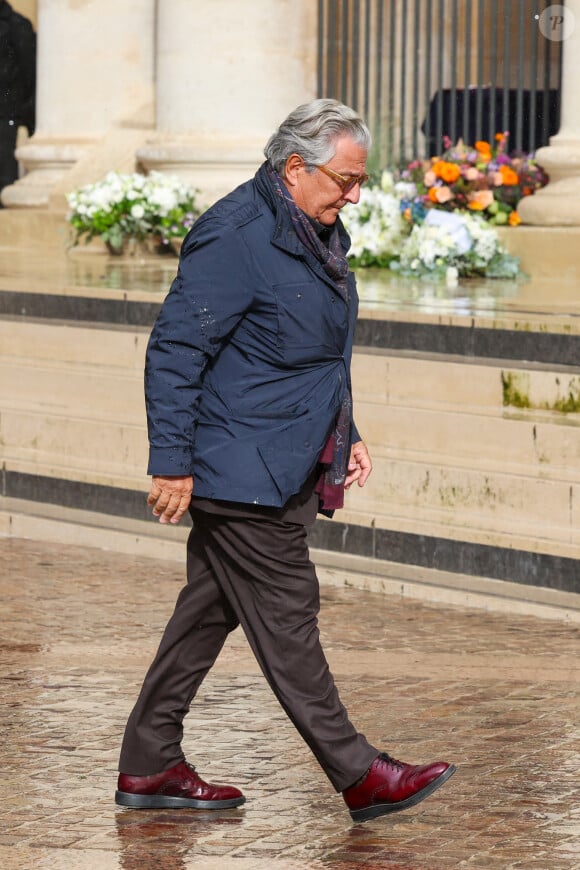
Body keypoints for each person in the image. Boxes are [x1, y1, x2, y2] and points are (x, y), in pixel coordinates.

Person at [115, 99, 456, 823]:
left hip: (280, 451)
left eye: (361, 181)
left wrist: (348, 429)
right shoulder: (235, 235)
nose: (354, 195)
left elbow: (309, 352)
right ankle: (359, 772)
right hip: (241, 464)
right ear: (294, 167)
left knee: (207, 613)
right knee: (289, 609)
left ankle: (149, 764)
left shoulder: (314, 226)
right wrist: (171, 461)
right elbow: (176, 349)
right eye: (344, 179)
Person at [0, 0, 36, 202]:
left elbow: (29, 73)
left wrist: (26, 119)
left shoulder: (16, 26)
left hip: (5, 118)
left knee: (3, 181)